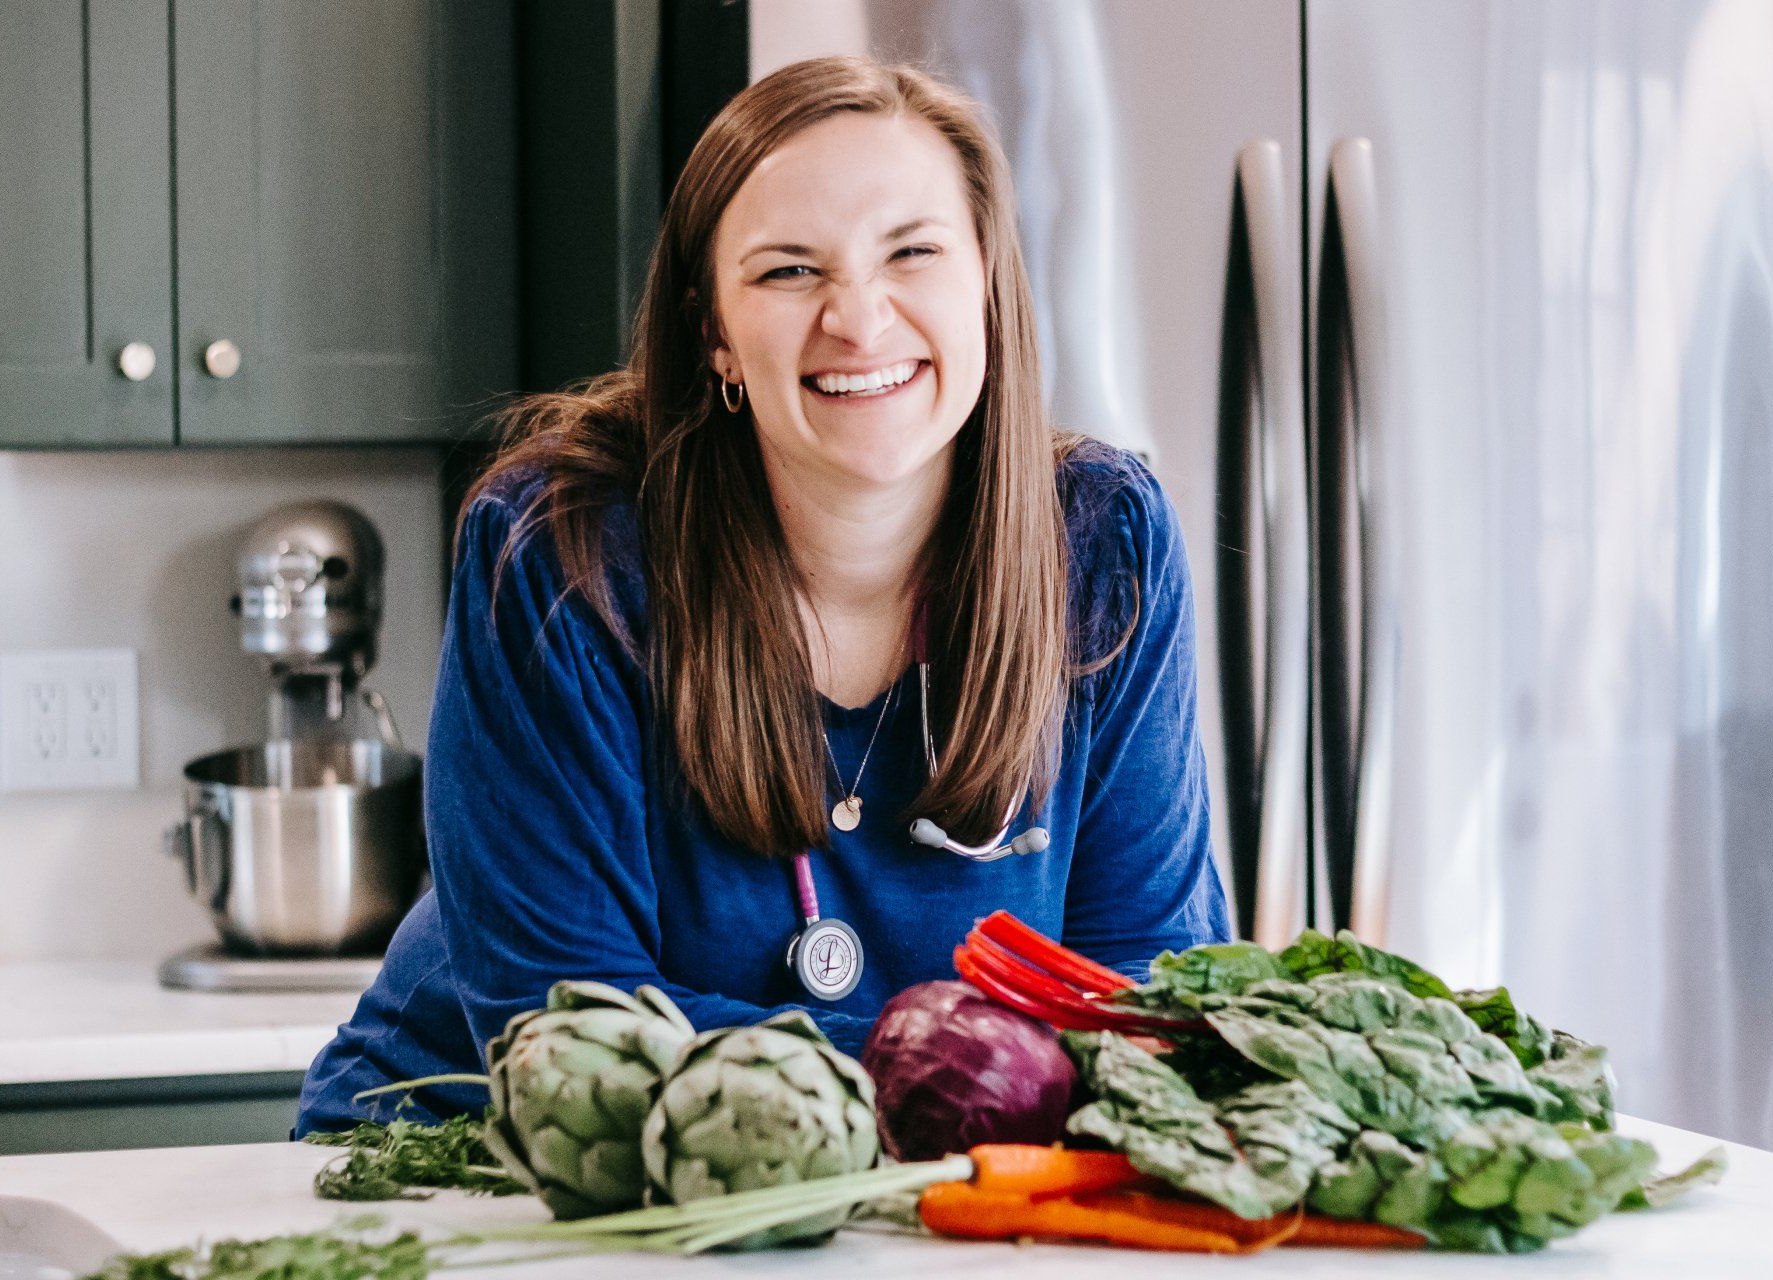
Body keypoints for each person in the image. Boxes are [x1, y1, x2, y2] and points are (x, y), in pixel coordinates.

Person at [295, 55, 1229, 1134]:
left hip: (909, 1188)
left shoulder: (1103, 545)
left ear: (985, 280)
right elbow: (568, 1024)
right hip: (485, 1175)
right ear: (714, 335)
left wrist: (972, 1092)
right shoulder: (563, 558)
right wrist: (963, 1073)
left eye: (912, 252)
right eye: (790, 272)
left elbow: (1142, 988)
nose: (860, 319)